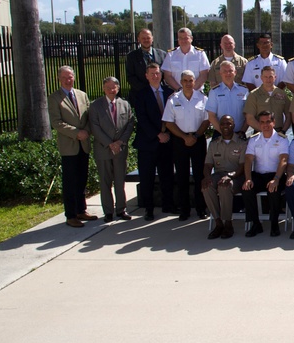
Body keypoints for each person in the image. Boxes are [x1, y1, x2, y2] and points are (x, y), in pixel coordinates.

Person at [47, 66, 96, 227]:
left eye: (70, 77)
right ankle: (71, 215)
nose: (68, 80)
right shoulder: (54, 98)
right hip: (69, 145)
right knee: (70, 181)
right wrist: (76, 133)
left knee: (82, 179)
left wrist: (86, 131)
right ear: (59, 79)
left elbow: (89, 117)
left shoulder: (82, 94)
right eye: (64, 77)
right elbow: (56, 122)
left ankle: (81, 209)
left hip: (84, 144)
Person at [162, 70, 210, 222]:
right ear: (181, 82)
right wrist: (184, 137)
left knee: (199, 176)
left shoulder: (202, 98)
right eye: (185, 81)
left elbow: (206, 120)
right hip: (179, 141)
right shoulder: (173, 99)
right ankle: (184, 210)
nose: (188, 83)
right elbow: (169, 122)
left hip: (198, 139)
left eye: (191, 80)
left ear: (195, 82)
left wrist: (195, 136)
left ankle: (201, 208)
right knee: (182, 176)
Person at [132, 63, 176, 221]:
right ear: (146, 76)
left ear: (161, 75)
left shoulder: (170, 93)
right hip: (148, 143)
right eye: (152, 74)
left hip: (167, 142)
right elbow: (141, 118)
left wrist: (167, 134)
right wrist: (157, 134)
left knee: (167, 176)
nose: (155, 76)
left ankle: (168, 204)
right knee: (147, 178)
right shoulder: (140, 94)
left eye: (157, 73)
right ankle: (148, 209)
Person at [89, 76, 134, 223]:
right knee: (105, 181)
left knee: (120, 181)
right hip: (103, 149)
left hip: (120, 149)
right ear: (103, 88)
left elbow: (130, 124)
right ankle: (108, 211)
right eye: (108, 87)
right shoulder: (95, 106)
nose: (111, 90)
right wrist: (110, 143)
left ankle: (121, 209)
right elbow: (94, 127)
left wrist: (120, 142)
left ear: (118, 88)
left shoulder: (125, 104)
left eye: (114, 87)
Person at [241, 111, 289, 237]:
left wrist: (277, 179)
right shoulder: (254, 139)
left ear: (273, 122)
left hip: (276, 175)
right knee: (247, 189)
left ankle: (274, 224)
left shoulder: (281, 139)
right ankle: (256, 224)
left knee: (273, 190)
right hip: (259, 175)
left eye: (268, 121)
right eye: (262, 122)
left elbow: (283, 160)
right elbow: (248, 159)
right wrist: (248, 179)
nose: (265, 125)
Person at [202, 115, 247, 239]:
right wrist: (206, 177)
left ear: (234, 125)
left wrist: (230, 176)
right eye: (222, 124)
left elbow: (243, 166)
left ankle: (228, 223)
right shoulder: (214, 144)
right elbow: (208, 165)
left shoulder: (242, 143)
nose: (225, 126)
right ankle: (218, 222)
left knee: (224, 186)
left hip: (237, 176)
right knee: (206, 187)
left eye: (228, 124)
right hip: (218, 174)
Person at [206, 61, 249, 135]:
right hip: (221, 134)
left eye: (230, 71)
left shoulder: (244, 90)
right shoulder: (214, 92)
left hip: (240, 134)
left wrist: (242, 131)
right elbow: (211, 116)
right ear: (220, 73)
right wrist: (224, 134)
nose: (228, 73)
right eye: (225, 71)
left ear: (235, 72)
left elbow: (249, 114)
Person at [244, 66, 290, 135]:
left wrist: (283, 131)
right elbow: (250, 118)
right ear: (261, 78)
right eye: (265, 77)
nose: (268, 80)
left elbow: (289, 115)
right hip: (260, 133)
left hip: (279, 133)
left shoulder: (282, 93)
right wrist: (265, 131)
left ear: (275, 77)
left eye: (270, 77)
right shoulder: (254, 95)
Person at [125, 28, 166, 100]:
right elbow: (130, 77)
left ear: (152, 38)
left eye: (148, 38)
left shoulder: (162, 54)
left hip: (160, 94)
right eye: (143, 38)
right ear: (139, 39)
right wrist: (148, 90)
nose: (146, 40)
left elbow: (166, 74)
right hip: (140, 95)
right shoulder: (132, 56)